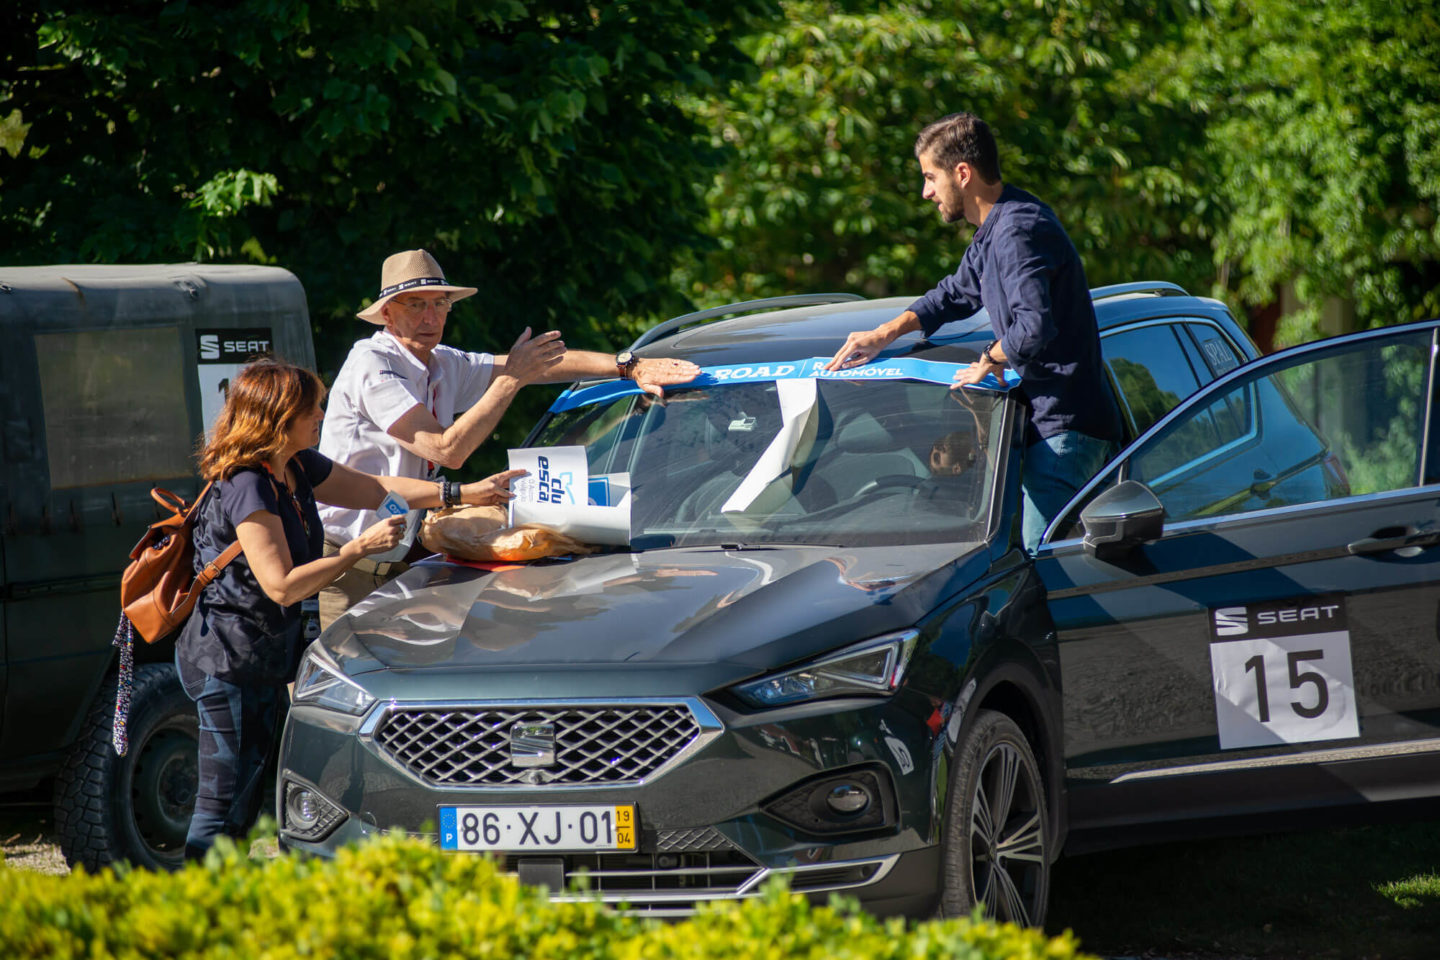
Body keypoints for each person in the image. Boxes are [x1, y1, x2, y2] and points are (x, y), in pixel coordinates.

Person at [176, 358, 524, 859]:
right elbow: (282, 587)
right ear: (280, 416)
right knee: (220, 804)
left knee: (250, 800)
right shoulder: (247, 483)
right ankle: (194, 918)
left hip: (263, 659)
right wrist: (354, 552)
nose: (321, 412)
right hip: (225, 662)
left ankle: (231, 910)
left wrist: (462, 492)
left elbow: (376, 489)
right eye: (311, 406)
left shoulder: (295, 466)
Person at [317, 249, 700, 627]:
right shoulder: (373, 362)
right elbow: (445, 450)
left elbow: (540, 368)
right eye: (415, 305)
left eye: (440, 304)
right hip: (352, 564)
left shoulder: (441, 360)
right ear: (387, 313)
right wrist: (512, 379)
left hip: (406, 559)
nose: (430, 317)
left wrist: (628, 366)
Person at [826, 112, 1122, 552]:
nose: (926, 191)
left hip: (1064, 428)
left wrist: (987, 359)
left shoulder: (1018, 231)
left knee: (1040, 572)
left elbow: (1033, 326)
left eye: (930, 177)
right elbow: (953, 294)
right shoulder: (997, 229)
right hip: (1050, 425)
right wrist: (885, 332)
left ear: (962, 174)